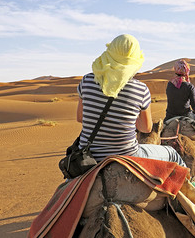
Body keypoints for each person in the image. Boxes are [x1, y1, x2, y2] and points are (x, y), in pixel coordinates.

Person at [76, 34, 185, 167]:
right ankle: (192, 187)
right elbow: (146, 128)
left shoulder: (87, 81)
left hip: (88, 154)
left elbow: (80, 117)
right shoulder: (140, 89)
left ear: (110, 52)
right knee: (172, 154)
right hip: (127, 154)